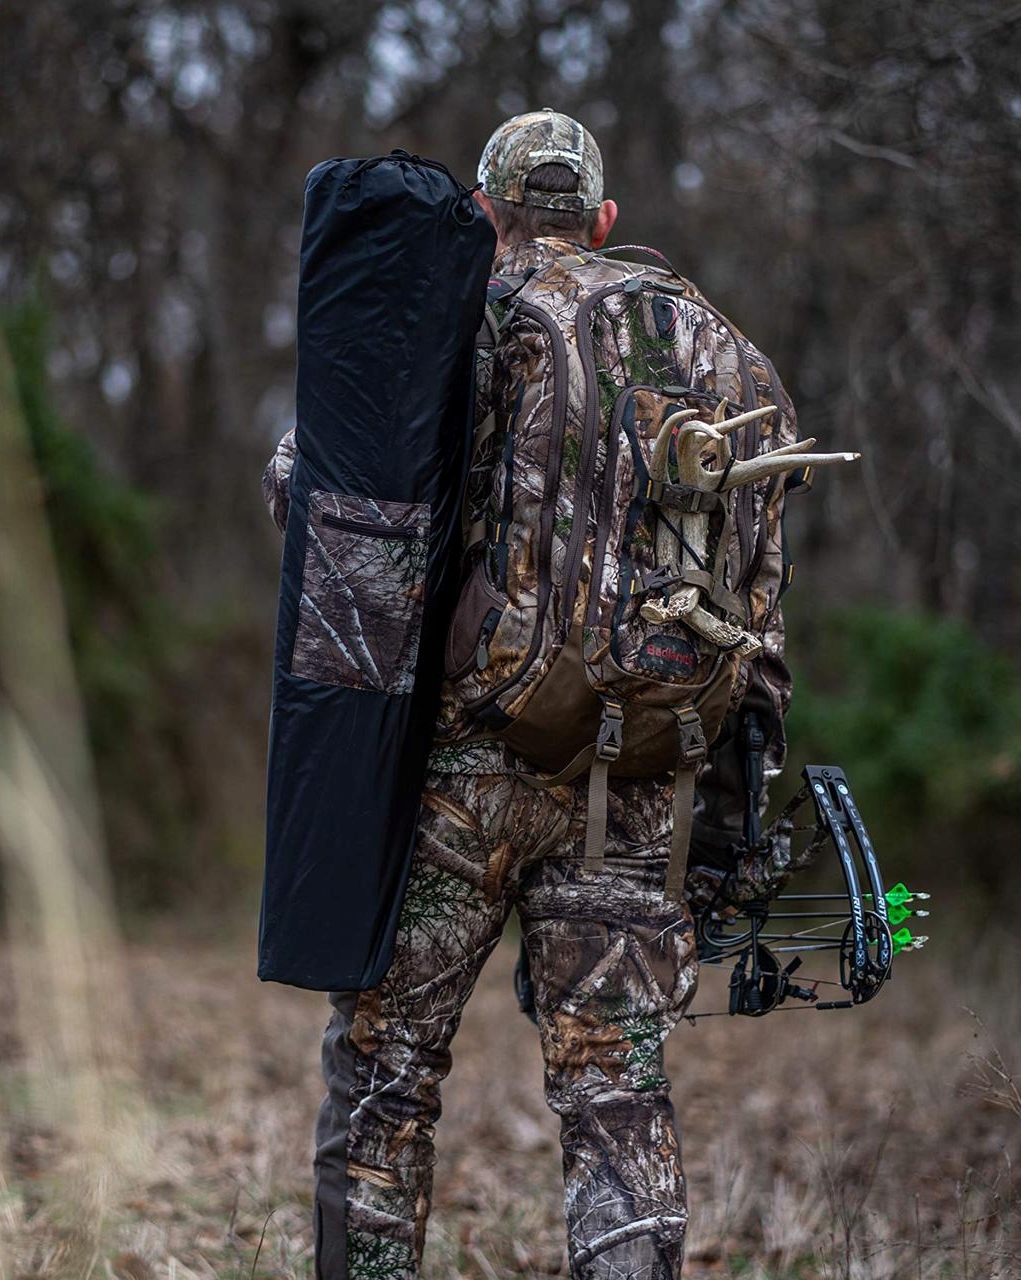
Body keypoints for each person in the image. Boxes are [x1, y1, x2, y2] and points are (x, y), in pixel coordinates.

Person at [262, 110, 796, 1280]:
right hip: (635, 784)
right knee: (615, 1089)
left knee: (386, 1072)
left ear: (489, 221)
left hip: (466, 772)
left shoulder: (470, 319)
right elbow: (760, 615)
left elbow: (329, 503)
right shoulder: (719, 348)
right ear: (605, 219)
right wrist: (734, 828)